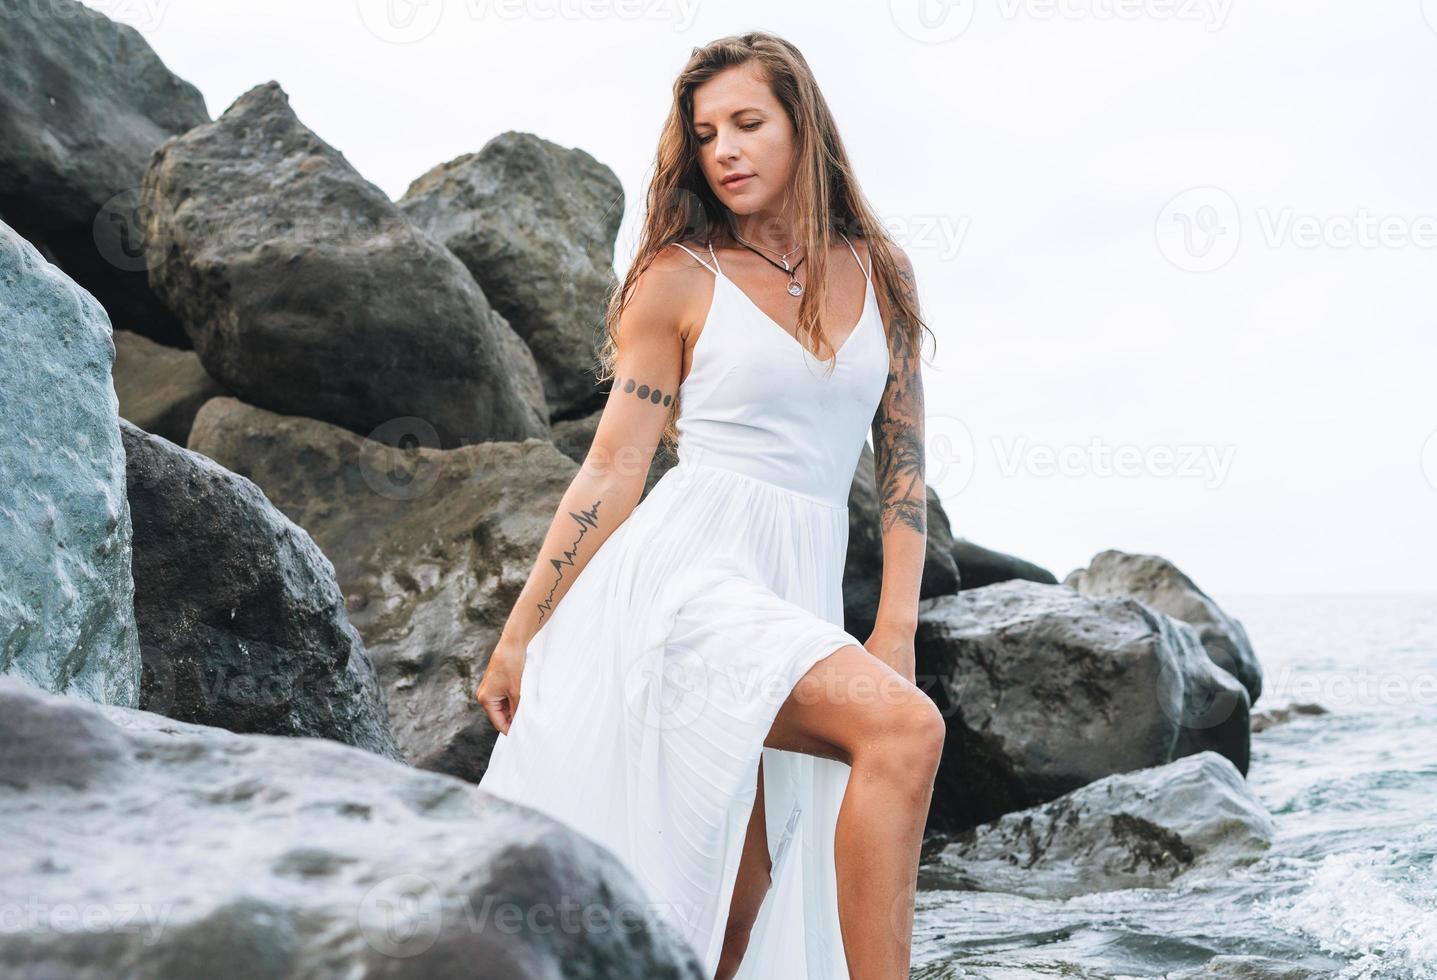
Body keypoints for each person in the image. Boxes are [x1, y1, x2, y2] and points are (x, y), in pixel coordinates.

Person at [475, 30, 943, 980]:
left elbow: (902, 464)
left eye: (746, 123)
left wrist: (894, 626)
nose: (723, 148)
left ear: (800, 126)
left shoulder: (880, 272)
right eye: (704, 133)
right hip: (689, 583)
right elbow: (612, 468)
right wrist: (523, 631)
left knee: (744, 885)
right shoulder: (677, 278)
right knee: (904, 730)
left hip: (796, 585)